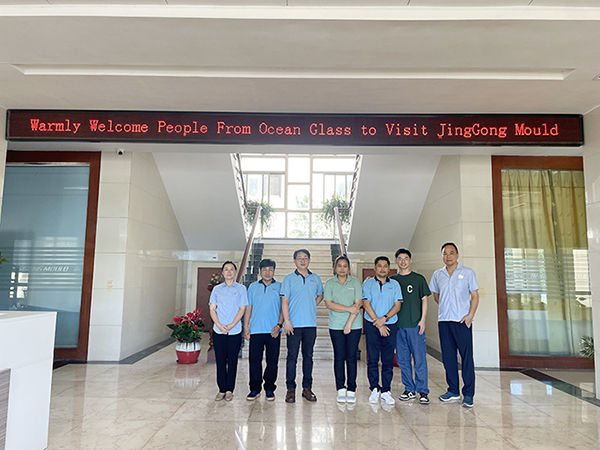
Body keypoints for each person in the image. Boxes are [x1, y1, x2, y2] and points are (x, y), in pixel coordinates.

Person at [429, 242, 479, 408]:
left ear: (457, 255)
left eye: (451, 253)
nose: (448, 256)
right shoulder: (438, 274)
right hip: (444, 321)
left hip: (462, 321)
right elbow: (436, 295)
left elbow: (475, 295)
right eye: (445, 253)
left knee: (466, 358)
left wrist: (470, 315)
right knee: (448, 357)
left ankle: (468, 394)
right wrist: (446, 307)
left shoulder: (467, 273)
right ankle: (453, 391)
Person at [281, 249, 324, 403]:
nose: (302, 260)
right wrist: (287, 321)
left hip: (310, 325)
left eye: (305, 258)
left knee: (308, 357)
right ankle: (290, 389)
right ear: (294, 261)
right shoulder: (288, 279)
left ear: (309, 260)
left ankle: (307, 388)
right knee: (292, 357)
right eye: (299, 258)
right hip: (293, 325)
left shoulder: (315, 278)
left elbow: (320, 295)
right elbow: (284, 301)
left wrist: (312, 305)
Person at [391, 248, 432, 405]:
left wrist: (423, 320)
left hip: (415, 325)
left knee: (419, 359)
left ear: (410, 261)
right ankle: (409, 389)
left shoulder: (418, 279)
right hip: (398, 326)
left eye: (406, 258)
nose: (403, 261)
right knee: (403, 361)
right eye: (400, 258)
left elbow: (424, 299)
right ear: (396, 261)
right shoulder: (392, 280)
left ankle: (423, 391)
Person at [362, 256, 403, 406]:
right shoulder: (367, 284)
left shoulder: (395, 284)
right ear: (375, 268)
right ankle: (374, 388)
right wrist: (379, 324)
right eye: (379, 266)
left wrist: (384, 319)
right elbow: (366, 304)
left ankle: (386, 390)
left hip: (390, 325)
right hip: (372, 325)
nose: (382, 269)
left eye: (385, 266)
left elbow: (397, 306)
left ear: (389, 268)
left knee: (387, 360)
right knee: (372, 359)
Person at [323, 255, 362, 404]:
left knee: (351, 357)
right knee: (339, 357)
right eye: (339, 265)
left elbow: (357, 305)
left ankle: (351, 388)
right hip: (335, 325)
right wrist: (348, 308)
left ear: (349, 268)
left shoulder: (355, 282)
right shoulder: (330, 283)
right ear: (335, 267)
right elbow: (329, 304)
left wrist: (348, 324)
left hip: (354, 325)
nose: (342, 268)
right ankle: (340, 388)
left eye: (345, 266)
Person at [243, 259, 283, 402]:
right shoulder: (253, 287)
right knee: (254, 361)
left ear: (274, 271)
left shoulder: (280, 286)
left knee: (272, 361)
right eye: (264, 269)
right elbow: (249, 307)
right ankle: (255, 389)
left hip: (273, 331)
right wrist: (246, 326)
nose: (267, 272)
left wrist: (279, 325)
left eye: (270, 270)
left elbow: (283, 308)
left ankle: (269, 388)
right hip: (256, 330)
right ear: (260, 271)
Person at [209, 261, 248, 402]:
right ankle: (221, 389)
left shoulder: (241, 289)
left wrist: (232, 325)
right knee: (220, 361)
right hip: (219, 331)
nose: (229, 272)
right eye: (226, 269)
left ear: (235, 272)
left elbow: (242, 309)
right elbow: (212, 308)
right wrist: (218, 324)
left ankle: (230, 389)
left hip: (234, 331)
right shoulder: (217, 289)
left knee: (232, 361)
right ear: (222, 273)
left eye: (232, 269)